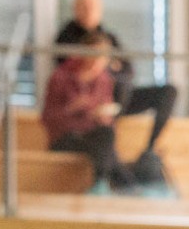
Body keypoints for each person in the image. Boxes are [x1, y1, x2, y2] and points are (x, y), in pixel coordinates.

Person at [54, 0, 175, 185]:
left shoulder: (110, 38)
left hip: (118, 99)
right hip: (88, 110)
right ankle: (125, 181)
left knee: (167, 92)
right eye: (84, 6)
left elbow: (128, 70)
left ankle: (149, 150)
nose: (89, 10)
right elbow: (76, 75)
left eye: (93, 6)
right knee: (105, 131)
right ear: (75, 9)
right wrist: (108, 68)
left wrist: (109, 71)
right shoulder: (65, 39)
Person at [42, 32, 132, 193]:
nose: (97, 61)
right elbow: (48, 118)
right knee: (106, 148)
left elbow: (107, 121)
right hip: (65, 138)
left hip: (94, 137)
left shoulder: (104, 79)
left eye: (102, 56)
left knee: (106, 135)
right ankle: (123, 184)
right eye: (93, 54)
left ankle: (106, 183)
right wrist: (71, 109)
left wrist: (101, 118)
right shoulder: (61, 76)